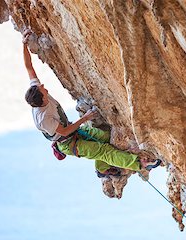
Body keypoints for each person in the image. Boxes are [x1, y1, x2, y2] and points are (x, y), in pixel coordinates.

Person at [22, 30, 160, 177]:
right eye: (43, 91)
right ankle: (140, 164)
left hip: (73, 132)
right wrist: (85, 118)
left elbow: (29, 67)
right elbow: (64, 131)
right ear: (42, 100)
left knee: (107, 138)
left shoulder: (36, 92)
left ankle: (101, 168)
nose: (43, 86)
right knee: (105, 151)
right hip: (67, 143)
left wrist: (24, 44)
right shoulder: (44, 119)